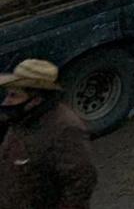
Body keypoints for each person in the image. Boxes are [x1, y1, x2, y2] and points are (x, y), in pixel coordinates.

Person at [0, 59, 98, 209]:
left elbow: (81, 181)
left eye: (14, 95)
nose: (6, 102)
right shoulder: (21, 119)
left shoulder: (65, 129)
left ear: (36, 100)